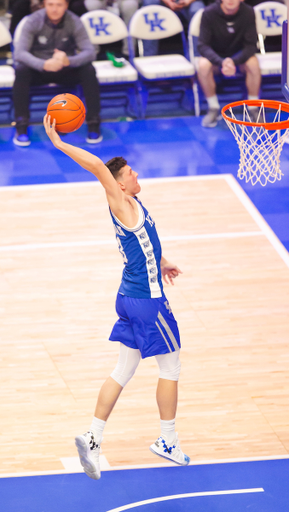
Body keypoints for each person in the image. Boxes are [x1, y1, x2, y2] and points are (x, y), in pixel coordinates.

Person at [43, 114, 190, 480]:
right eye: (130, 174)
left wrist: (163, 262)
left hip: (128, 295)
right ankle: (167, 440)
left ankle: (93, 436)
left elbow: (146, 244)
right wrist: (59, 143)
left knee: (123, 369)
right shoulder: (120, 203)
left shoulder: (134, 206)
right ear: (119, 185)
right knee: (170, 367)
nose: (136, 175)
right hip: (146, 301)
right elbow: (96, 165)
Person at [13, 0, 102, 147]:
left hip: (65, 69)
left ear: (66, 5)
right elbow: (20, 53)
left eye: (59, 5)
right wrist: (43, 64)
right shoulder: (33, 20)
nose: (54, 9)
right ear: (44, 5)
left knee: (89, 69)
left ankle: (93, 123)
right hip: (40, 70)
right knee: (21, 70)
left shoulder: (74, 21)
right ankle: (21, 126)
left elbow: (90, 52)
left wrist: (69, 61)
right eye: (50, 4)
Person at [197, 0, 261, 128]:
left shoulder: (248, 12)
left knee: (254, 63)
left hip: (239, 56)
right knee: (202, 65)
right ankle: (213, 108)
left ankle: (253, 107)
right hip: (216, 57)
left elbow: (251, 45)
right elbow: (202, 45)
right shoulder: (208, 13)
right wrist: (222, 62)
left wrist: (233, 61)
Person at [141, 0, 205, 56]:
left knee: (197, 12)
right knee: (150, 3)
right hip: (161, 2)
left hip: (190, 2)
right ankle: (149, 57)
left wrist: (188, 1)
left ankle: (195, 59)